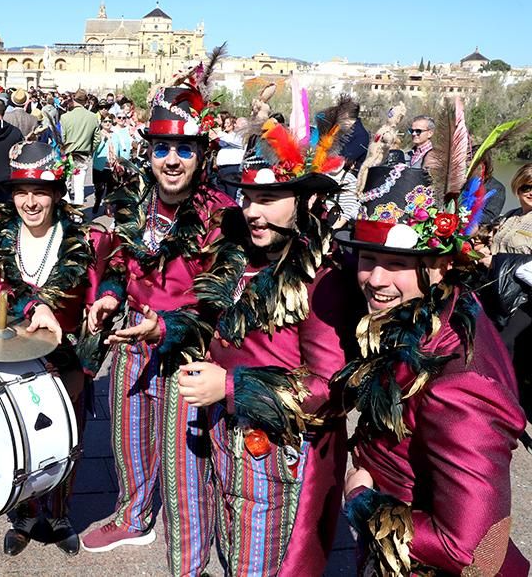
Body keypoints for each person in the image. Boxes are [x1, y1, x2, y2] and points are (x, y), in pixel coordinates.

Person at [177, 111, 356, 576]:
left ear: (304, 202)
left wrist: (232, 387)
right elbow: (219, 327)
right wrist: (167, 329)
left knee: (259, 564)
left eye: (270, 199)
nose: (253, 211)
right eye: (250, 198)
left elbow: (329, 388)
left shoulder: (324, 279)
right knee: (233, 551)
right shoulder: (240, 257)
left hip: (277, 455)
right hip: (222, 442)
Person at [333, 161, 529, 576]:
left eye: (399, 263)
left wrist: (362, 501)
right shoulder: (437, 308)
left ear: (442, 265)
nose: (376, 279)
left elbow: (475, 554)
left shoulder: (460, 383)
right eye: (368, 258)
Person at [80, 60, 235, 576]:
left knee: (186, 471)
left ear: (202, 154)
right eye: (162, 148)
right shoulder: (134, 203)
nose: (171, 160)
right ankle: (134, 514)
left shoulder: (221, 216)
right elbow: (121, 264)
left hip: (189, 352)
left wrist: (165, 328)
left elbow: (219, 305)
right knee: (127, 442)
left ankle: (187, 565)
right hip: (131, 341)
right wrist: (107, 293)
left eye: (183, 149)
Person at [0, 141, 105, 557]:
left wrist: (83, 366)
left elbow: (92, 303)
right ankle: (24, 518)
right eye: (21, 192)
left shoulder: (81, 239)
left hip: (67, 362)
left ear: (56, 192)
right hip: (15, 361)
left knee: (70, 439)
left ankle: (61, 514)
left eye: (40, 191)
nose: (30, 202)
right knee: (21, 441)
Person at [483, 161, 532, 412]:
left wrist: (496, 261)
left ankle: (504, 402)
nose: (531, 191)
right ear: (517, 187)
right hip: (497, 292)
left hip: (525, 298)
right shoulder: (511, 216)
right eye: (526, 186)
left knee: (507, 343)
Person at [59, 89, 100, 206]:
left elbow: (63, 138)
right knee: (79, 187)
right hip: (84, 154)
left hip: (68, 154)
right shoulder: (92, 117)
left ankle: (66, 210)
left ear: (73, 99)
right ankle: (78, 214)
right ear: (86, 101)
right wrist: (91, 149)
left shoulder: (65, 117)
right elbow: (97, 138)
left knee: (65, 185)